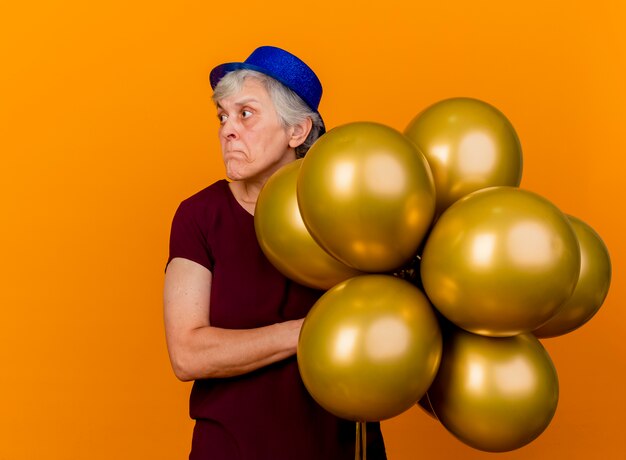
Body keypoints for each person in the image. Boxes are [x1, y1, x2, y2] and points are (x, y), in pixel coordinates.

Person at [163, 46, 387, 459]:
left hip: (338, 448)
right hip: (232, 449)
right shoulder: (199, 216)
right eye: (223, 116)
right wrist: (309, 331)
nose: (228, 129)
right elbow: (187, 354)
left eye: (246, 113)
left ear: (297, 131)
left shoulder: (347, 213)